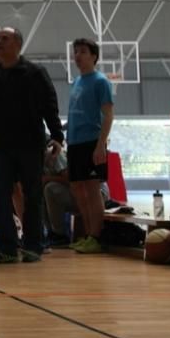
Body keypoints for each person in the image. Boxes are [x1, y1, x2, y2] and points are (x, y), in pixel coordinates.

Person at [0, 27, 64, 264]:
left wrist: (57, 136)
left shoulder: (35, 73)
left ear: (18, 45)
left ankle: (33, 246)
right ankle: (6, 248)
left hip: (31, 145)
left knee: (32, 196)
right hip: (0, 147)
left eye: (4, 39)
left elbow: (50, 106)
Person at [66, 38, 115, 254]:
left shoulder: (100, 81)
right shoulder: (76, 82)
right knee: (78, 189)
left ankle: (96, 236)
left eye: (83, 51)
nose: (77, 56)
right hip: (74, 143)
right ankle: (87, 234)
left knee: (92, 189)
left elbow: (108, 115)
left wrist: (100, 145)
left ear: (93, 56)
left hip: (91, 142)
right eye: (75, 52)